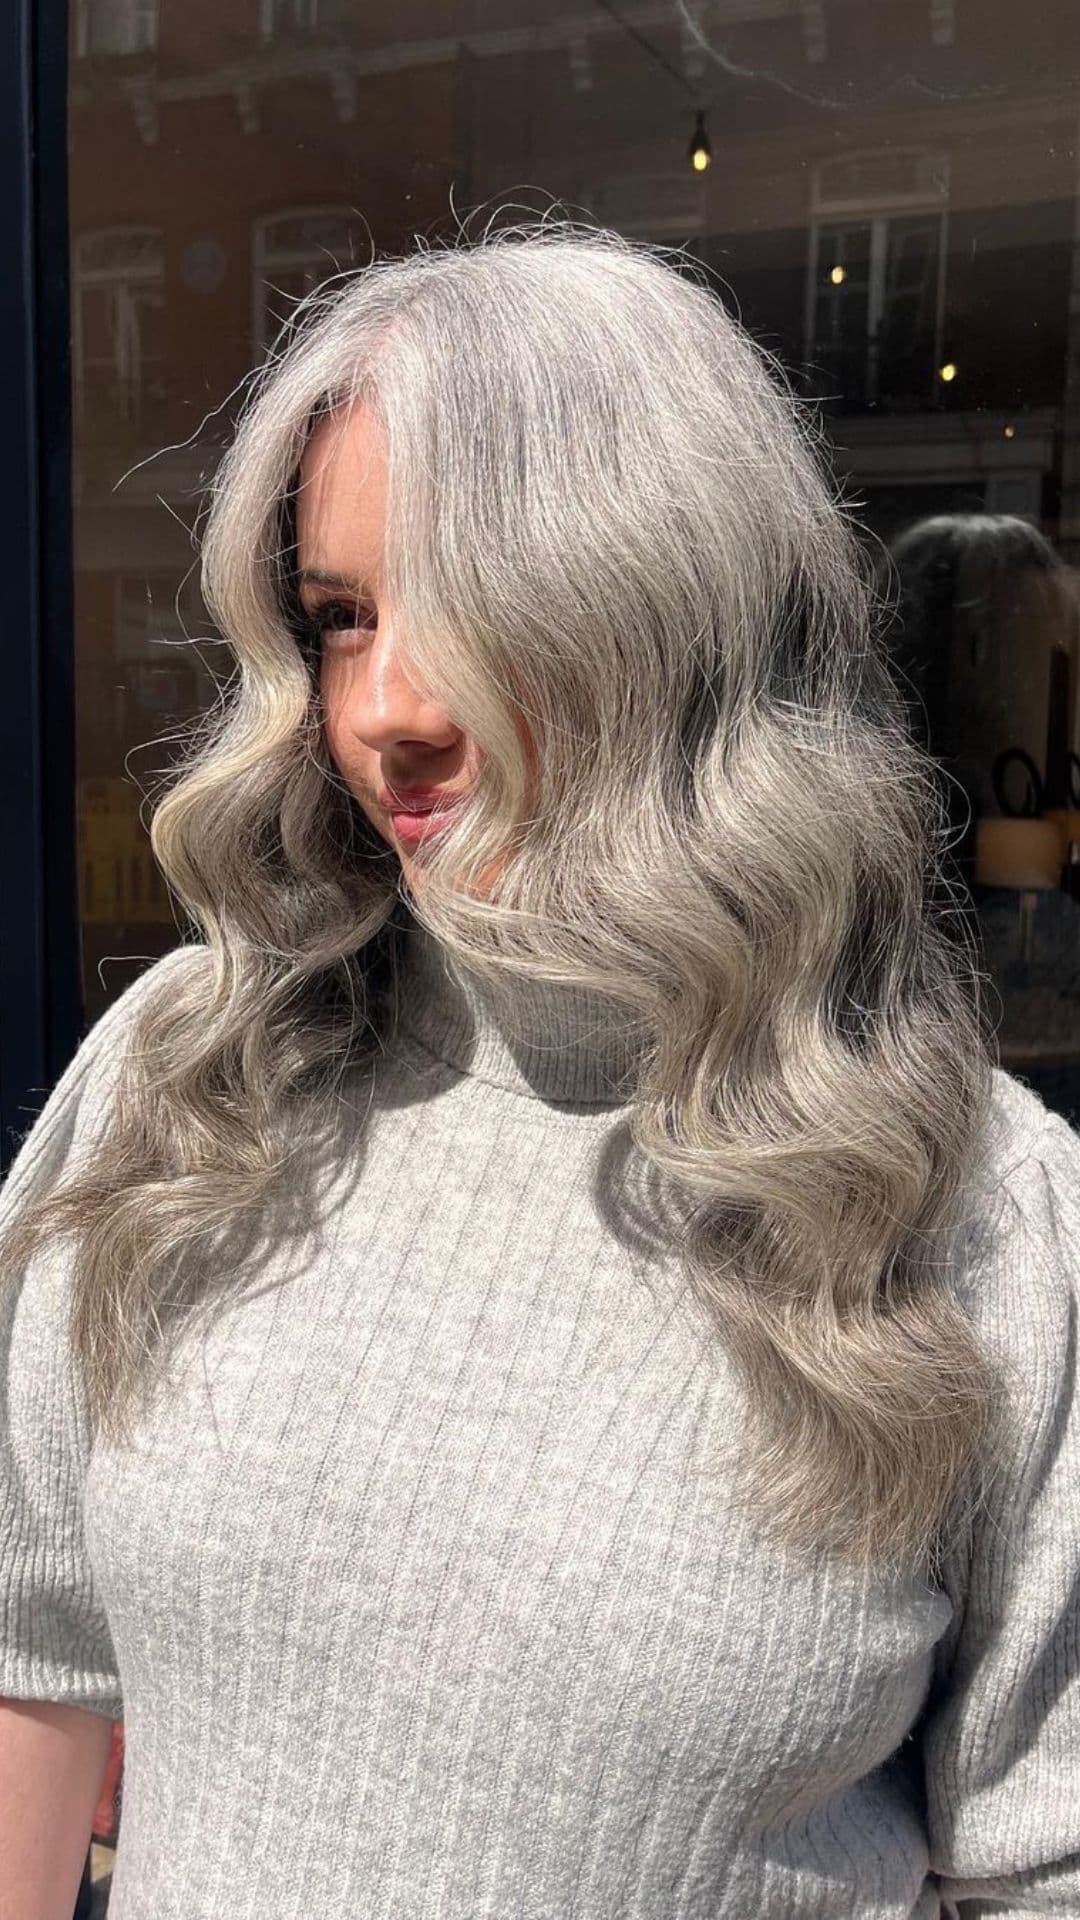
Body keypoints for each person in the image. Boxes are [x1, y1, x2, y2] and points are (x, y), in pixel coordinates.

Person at [0, 222, 1077, 1920]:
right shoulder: (193, 1076)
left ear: (676, 615)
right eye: (340, 616)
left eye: (483, 607)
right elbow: (31, 1645)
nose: (385, 711)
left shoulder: (977, 1216)